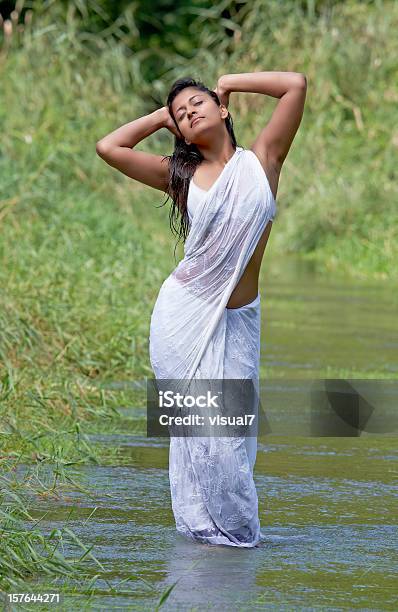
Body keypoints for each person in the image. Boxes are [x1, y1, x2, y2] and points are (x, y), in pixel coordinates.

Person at [96, 72, 307, 546]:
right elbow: (109, 147)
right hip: (183, 317)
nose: (189, 112)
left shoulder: (264, 160)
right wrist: (159, 117)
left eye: (197, 103)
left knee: (229, 440)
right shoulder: (181, 177)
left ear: (223, 108)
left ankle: (232, 542)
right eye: (181, 113)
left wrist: (229, 80)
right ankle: (213, 544)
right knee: (202, 440)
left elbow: (295, 84)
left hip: (240, 320)